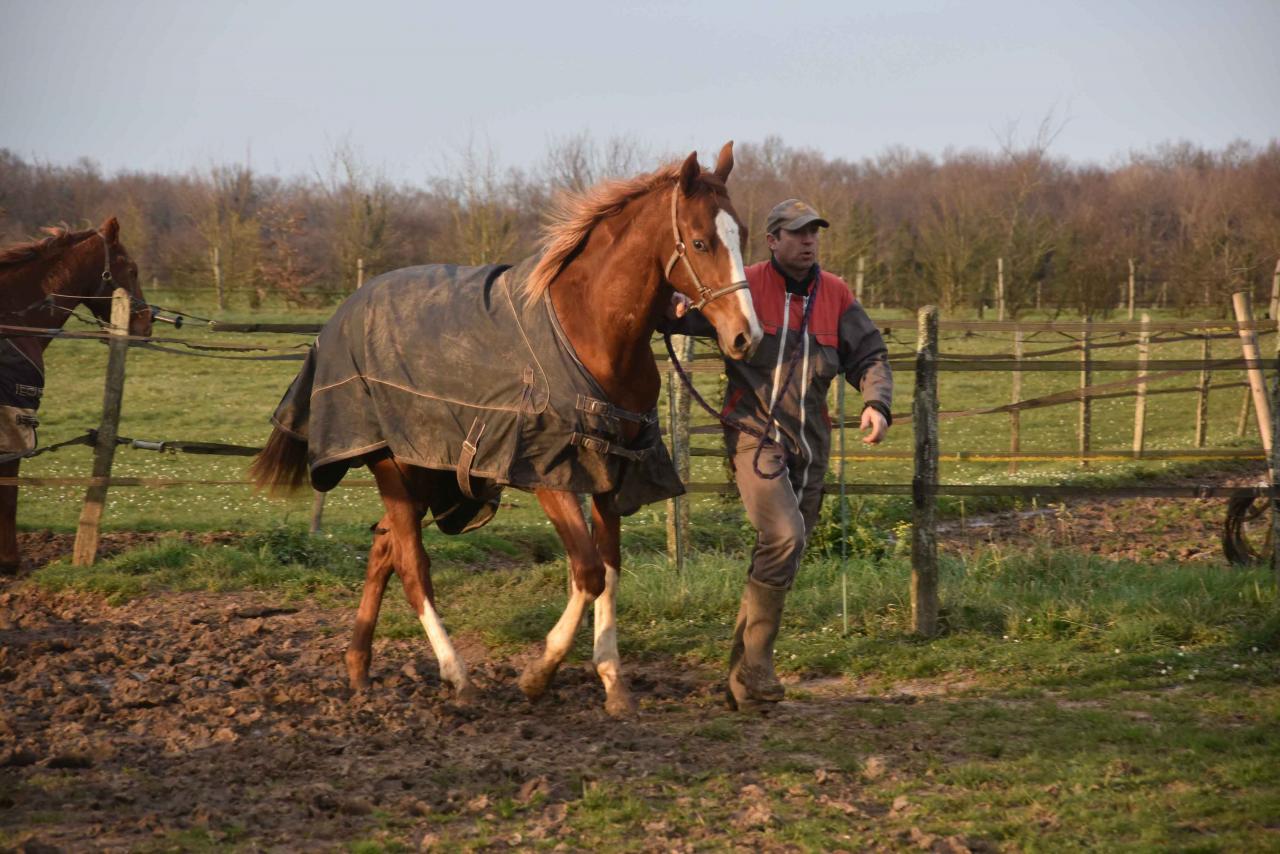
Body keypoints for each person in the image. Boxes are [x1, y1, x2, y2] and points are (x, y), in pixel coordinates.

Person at [667, 198, 893, 710]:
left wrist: (876, 402)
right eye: (797, 233)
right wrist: (675, 306)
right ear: (772, 240)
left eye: (814, 232)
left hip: (811, 444)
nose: (809, 240)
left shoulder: (835, 294)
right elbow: (683, 311)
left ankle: (743, 682)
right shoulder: (741, 284)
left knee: (784, 553)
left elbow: (871, 354)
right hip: (754, 434)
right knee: (783, 534)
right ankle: (761, 663)